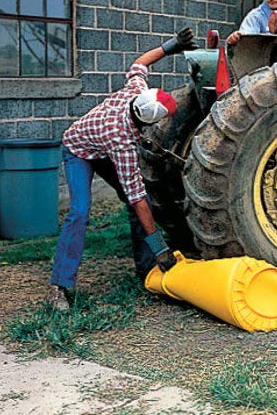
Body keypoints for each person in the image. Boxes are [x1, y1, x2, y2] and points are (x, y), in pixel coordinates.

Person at [48, 27, 198, 311]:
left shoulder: (136, 90)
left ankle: (146, 270)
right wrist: (161, 247)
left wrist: (171, 46)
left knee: (138, 202)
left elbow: (140, 63)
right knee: (80, 211)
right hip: (78, 150)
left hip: (99, 144)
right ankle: (60, 286)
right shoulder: (122, 143)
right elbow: (137, 197)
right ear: (147, 124)